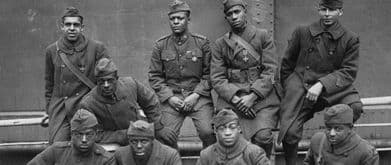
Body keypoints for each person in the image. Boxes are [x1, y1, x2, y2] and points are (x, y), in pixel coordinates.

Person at [278, 0, 363, 164]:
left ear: (340, 12)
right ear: (318, 10)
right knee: (290, 132)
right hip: (302, 84)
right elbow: (287, 64)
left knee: (355, 107)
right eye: (323, 9)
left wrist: (321, 84)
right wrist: (291, 87)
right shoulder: (302, 32)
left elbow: (348, 71)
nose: (327, 14)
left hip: (334, 88)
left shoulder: (350, 38)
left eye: (332, 10)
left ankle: (335, 152)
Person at [210, 0, 280, 157]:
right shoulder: (220, 44)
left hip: (261, 99)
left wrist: (253, 96)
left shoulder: (262, 36)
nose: (234, 17)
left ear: (244, 12)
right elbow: (217, 78)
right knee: (229, 137)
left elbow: (271, 70)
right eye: (230, 14)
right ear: (226, 18)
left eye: (237, 12)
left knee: (263, 137)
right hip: (232, 100)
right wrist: (237, 99)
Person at [148, 0, 215, 148]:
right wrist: (170, 97)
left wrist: (196, 95)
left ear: (188, 19)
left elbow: (210, 74)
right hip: (173, 97)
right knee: (165, 136)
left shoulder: (202, 43)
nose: (176, 22)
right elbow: (155, 76)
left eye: (180, 18)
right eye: (172, 19)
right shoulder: (160, 45)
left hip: (198, 97)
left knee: (208, 132)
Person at [44, 7, 110, 143]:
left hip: (88, 106)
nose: (72, 28)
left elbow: (107, 79)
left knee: (88, 145)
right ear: (62, 27)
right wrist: (49, 110)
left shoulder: (97, 48)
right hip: (61, 108)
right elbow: (49, 84)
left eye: (76, 25)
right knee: (58, 146)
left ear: (82, 27)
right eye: (68, 24)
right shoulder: (52, 50)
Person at [80, 58, 176, 147]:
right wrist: (124, 135)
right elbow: (94, 135)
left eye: (110, 80)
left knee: (167, 142)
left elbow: (150, 102)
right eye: (101, 81)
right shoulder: (88, 104)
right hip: (114, 143)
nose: (106, 85)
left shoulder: (130, 84)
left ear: (117, 78)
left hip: (141, 132)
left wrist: (158, 127)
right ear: (97, 81)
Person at [28, 109, 115, 165]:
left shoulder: (105, 160)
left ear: (96, 134)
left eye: (88, 134)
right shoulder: (57, 151)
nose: (84, 140)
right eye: (79, 134)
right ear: (71, 134)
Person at [304, 104, 378, 165]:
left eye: (338, 129)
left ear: (350, 128)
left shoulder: (366, 152)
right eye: (329, 128)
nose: (332, 134)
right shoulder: (317, 142)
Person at [196, 109, 270, 165]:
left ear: (239, 129)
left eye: (232, 127)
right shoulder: (206, 155)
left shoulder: (254, 153)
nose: (227, 133)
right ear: (215, 130)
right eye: (222, 128)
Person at [114, 120, 182, 165]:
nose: (139, 146)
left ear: (152, 140)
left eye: (144, 141)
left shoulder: (170, 155)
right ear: (129, 141)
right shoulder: (120, 154)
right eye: (134, 141)